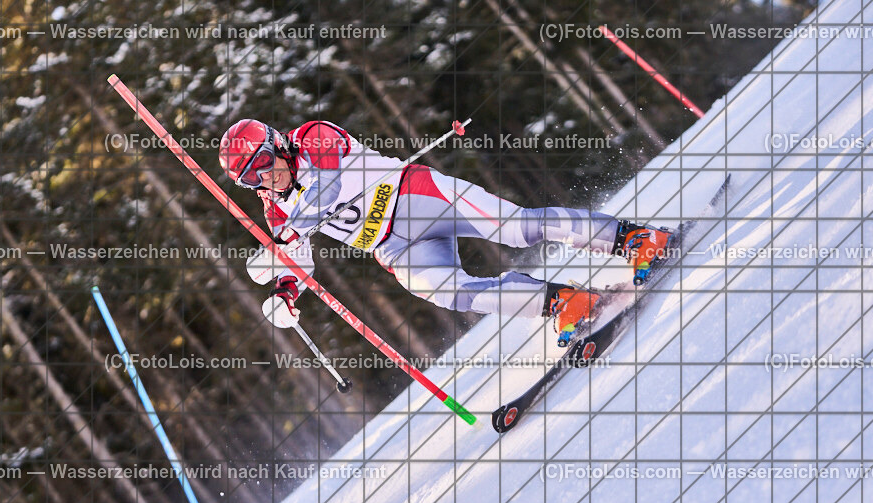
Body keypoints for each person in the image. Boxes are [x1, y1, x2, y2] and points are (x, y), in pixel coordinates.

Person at [218, 119, 672, 346]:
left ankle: (635, 240)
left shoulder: (312, 136)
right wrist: (285, 290)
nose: (266, 179)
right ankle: (564, 302)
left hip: (416, 196)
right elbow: (295, 259)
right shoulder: (274, 208)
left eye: (264, 164)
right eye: (252, 179)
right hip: (392, 246)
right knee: (449, 292)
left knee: (516, 229)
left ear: (277, 144)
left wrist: (289, 234)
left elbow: (329, 182)